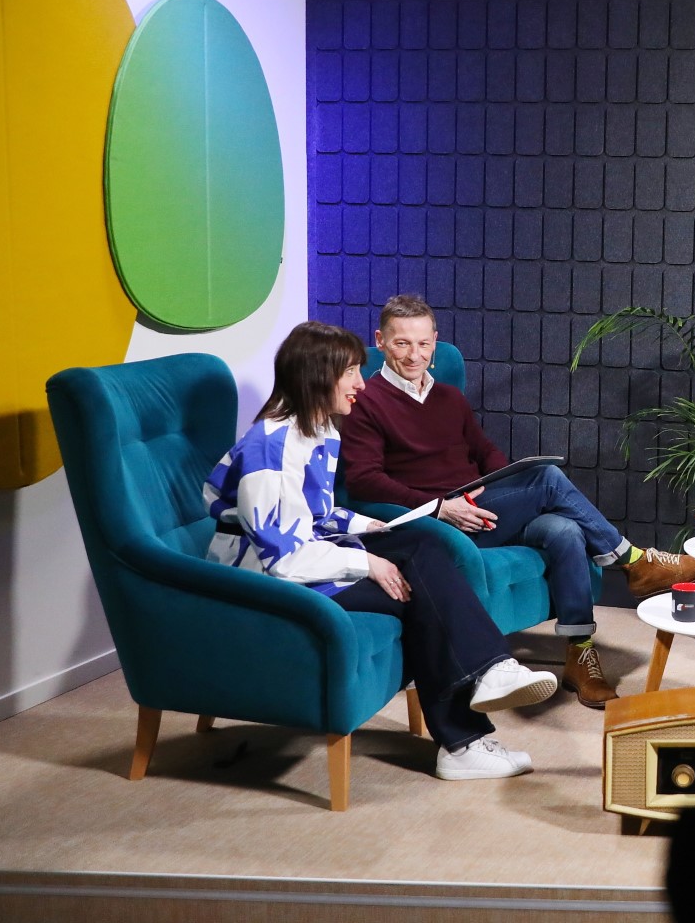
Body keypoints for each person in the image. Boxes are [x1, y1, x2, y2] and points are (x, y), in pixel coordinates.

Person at [204, 321, 558, 781]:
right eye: (350, 372)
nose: (360, 383)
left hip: (308, 555)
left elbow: (315, 514)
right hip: (263, 580)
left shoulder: (319, 429)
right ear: (317, 375)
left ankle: (486, 685)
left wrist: (367, 526)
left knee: (422, 543)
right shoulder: (269, 450)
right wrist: (367, 561)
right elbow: (282, 558)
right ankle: (466, 733)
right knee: (419, 591)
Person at [337, 295, 695, 710]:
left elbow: (484, 451)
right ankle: (634, 560)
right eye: (402, 343)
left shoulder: (448, 398)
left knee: (564, 529)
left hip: (485, 511)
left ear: (435, 341)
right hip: (437, 526)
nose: (414, 355)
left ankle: (580, 653)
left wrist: (502, 481)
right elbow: (363, 481)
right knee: (548, 479)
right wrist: (441, 507)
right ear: (381, 341)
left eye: (423, 343)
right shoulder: (365, 401)